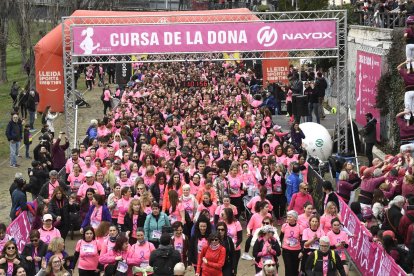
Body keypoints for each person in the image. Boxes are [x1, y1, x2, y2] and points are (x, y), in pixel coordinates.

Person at [280, 210, 303, 276]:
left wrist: (302, 251)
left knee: (295, 268)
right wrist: (281, 246)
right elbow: (281, 237)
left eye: (290, 217)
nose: (288, 218)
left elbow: (302, 240)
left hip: (296, 251)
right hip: (286, 250)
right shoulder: (284, 226)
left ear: (295, 218)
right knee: (288, 268)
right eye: (288, 217)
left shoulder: (299, 227)